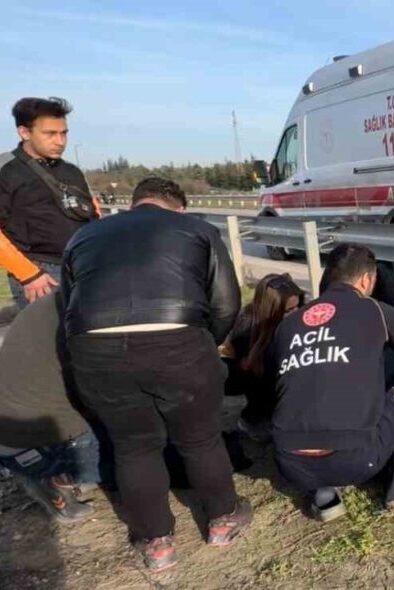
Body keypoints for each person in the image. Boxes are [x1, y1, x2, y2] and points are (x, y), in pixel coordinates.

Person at [61, 177, 249, 572]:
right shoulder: (198, 229)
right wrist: (203, 344)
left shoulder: (83, 237)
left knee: (133, 446)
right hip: (177, 338)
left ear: (134, 204)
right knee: (200, 438)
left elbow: (68, 306)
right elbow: (226, 302)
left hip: (95, 348)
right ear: (178, 207)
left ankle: (156, 542)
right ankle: (222, 519)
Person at [267, 243, 394, 521]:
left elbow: (278, 387)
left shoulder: (288, 325)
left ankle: (323, 495)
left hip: (290, 464)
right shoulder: (377, 311)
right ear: (366, 280)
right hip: (357, 460)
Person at [0, 294, 99, 522]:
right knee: (132, 448)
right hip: (30, 439)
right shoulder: (92, 318)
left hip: (12, 425)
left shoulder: (55, 300)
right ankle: (56, 482)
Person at [1, 97, 99, 310]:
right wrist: (28, 274)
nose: (60, 141)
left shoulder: (71, 171)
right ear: (24, 132)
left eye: (63, 133)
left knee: (85, 339)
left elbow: (93, 214)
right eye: (50, 134)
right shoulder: (6, 171)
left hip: (82, 267)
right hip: (39, 273)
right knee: (47, 341)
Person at [222, 273, 305, 438]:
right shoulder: (247, 330)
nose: (296, 314)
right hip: (262, 412)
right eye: (288, 310)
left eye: (298, 307)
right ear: (271, 310)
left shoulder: (290, 324)